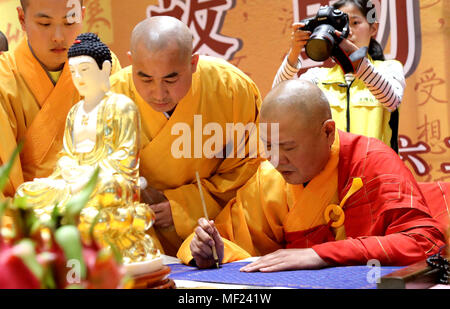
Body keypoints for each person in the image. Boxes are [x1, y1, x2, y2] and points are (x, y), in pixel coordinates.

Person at [182, 80, 445, 271]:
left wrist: (321, 255)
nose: (276, 159)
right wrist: (211, 253)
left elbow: (424, 241)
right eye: (269, 146)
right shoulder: (270, 178)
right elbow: (229, 239)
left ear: (328, 132)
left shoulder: (371, 162)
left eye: (289, 147)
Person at [110, 16, 263, 256]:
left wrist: (182, 206)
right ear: (131, 61)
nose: (158, 93)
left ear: (193, 63)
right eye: (145, 78)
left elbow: (249, 167)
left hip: (215, 229)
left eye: (171, 79)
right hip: (139, 231)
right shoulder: (111, 97)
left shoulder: (232, 88)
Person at [15, 32, 160, 264]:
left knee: (108, 190)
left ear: (104, 69)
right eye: (73, 72)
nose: (78, 78)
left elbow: (125, 159)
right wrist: (68, 168)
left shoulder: (121, 106)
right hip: (75, 182)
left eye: (85, 70)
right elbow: (67, 154)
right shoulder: (75, 112)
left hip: (107, 183)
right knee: (27, 193)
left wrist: (89, 177)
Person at [0, 0, 121, 198]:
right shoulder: (3, 80)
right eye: (45, 24)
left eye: (69, 22)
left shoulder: (103, 66)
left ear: (81, 15)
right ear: (22, 19)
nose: (58, 37)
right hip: (30, 215)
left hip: (95, 209)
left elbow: (120, 156)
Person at [273, 0, 405, 152]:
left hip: (375, 171)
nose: (348, 31)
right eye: (340, 25)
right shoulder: (318, 78)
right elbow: (277, 99)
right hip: (332, 172)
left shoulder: (389, 68)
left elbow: (391, 101)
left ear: (373, 28)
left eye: (355, 22)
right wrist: (294, 52)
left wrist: (356, 59)